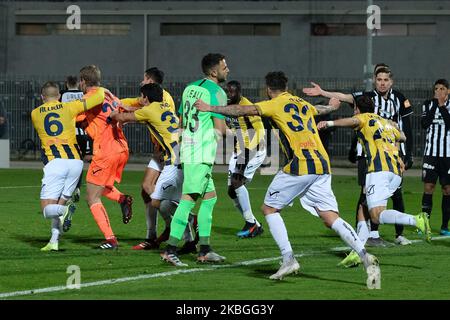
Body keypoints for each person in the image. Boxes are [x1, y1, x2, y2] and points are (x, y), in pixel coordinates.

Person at [195, 71, 381, 289]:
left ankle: (288, 259)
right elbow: (318, 110)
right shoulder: (300, 102)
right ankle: (366, 256)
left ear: (268, 89)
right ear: (285, 86)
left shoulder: (275, 103)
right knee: (331, 217)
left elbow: (242, 110)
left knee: (269, 209)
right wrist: (331, 107)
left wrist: (211, 108)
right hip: (321, 163)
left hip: (300, 164)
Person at [303, 65, 414, 246]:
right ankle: (371, 235)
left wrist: (406, 153)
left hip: (392, 153)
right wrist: (323, 91)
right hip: (368, 154)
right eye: (379, 80)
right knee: (365, 195)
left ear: (391, 82)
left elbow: (405, 128)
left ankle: (397, 234)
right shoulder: (367, 98)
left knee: (395, 195)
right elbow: (345, 98)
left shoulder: (398, 98)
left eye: (386, 80)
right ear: (374, 81)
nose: (382, 83)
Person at [317, 95, 432, 267]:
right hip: (395, 172)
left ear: (357, 109)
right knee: (363, 208)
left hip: (378, 171)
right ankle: (358, 252)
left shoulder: (363, 117)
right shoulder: (386, 122)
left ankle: (416, 220)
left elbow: (351, 121)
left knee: (376, 216)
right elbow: (403, 138)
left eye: (355, 108)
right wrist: (393, 127)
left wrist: (330, 123)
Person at [110, 83, 197, 252]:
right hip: (181, 156)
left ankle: (190, 219)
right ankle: (189, 240)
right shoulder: (164, 106)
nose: (139, 99)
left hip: (174, 160)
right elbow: (138, 112)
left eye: (141, 96)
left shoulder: (148, 111)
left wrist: (113, 114)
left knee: (157, 200)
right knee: (163, 202)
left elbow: (123, 118)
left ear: (146, 98)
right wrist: (126, 107)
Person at [160, 53, 228, 267]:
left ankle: (205, 249)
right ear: (213, 71)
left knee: (210, 199)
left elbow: (181, 121)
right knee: (188, 200)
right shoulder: (217, 92)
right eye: (224, 67)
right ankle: (170, 249)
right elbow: (220, 130)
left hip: (189, 149)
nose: (228, 70)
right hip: (201, 153)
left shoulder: (189, 88)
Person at [31, 81, 105, 251]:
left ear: (42, 97)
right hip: (76, 163)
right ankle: (54, 241)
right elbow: (99, 96)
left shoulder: (35, 114)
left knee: (47, 209)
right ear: (59, 96)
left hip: (56, 163)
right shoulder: (69, 107)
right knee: (58, 204)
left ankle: (64, 211)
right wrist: (102, 89)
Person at [78, 65, 133, 250]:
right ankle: (123, 199)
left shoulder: (89, 98)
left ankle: (110, 239)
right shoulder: (111, 97)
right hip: (121, 148)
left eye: (80, 82)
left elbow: (71, 115)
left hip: (106, 150)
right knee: (101, 186)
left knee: (92, 197)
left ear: (84, 81)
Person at [225, 80, 265, 238]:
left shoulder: (247, 107)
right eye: (228, 92)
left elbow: (259, 132)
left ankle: (250, 224)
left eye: (233, 92)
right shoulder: (227, 106)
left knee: (236, 182)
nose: (230, 95)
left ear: (239, 92)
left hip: (252, 150)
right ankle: (255, 224)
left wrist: (245, 155)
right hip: (239, 150)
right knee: (231, 191)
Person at [421, 79, 450, 236]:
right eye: (436, 88)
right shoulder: (427, 104)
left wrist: (442, 105)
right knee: (428, 188)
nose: (438, 91)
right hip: (431, 154)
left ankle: (445, 226)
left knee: (447, 189)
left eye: (442, 88)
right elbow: (425, 123)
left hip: (448, 155)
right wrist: (435, 105)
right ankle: (425, 225)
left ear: (448, 91)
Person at [60, 75, 91, 202]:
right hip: (83, 132)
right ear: (78, 83)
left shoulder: (62, 95)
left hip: (69, 133)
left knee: (66, 161)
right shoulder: (84, 94)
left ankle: (66, 191)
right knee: (79, 162)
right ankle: (77, 187)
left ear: (66, 83)